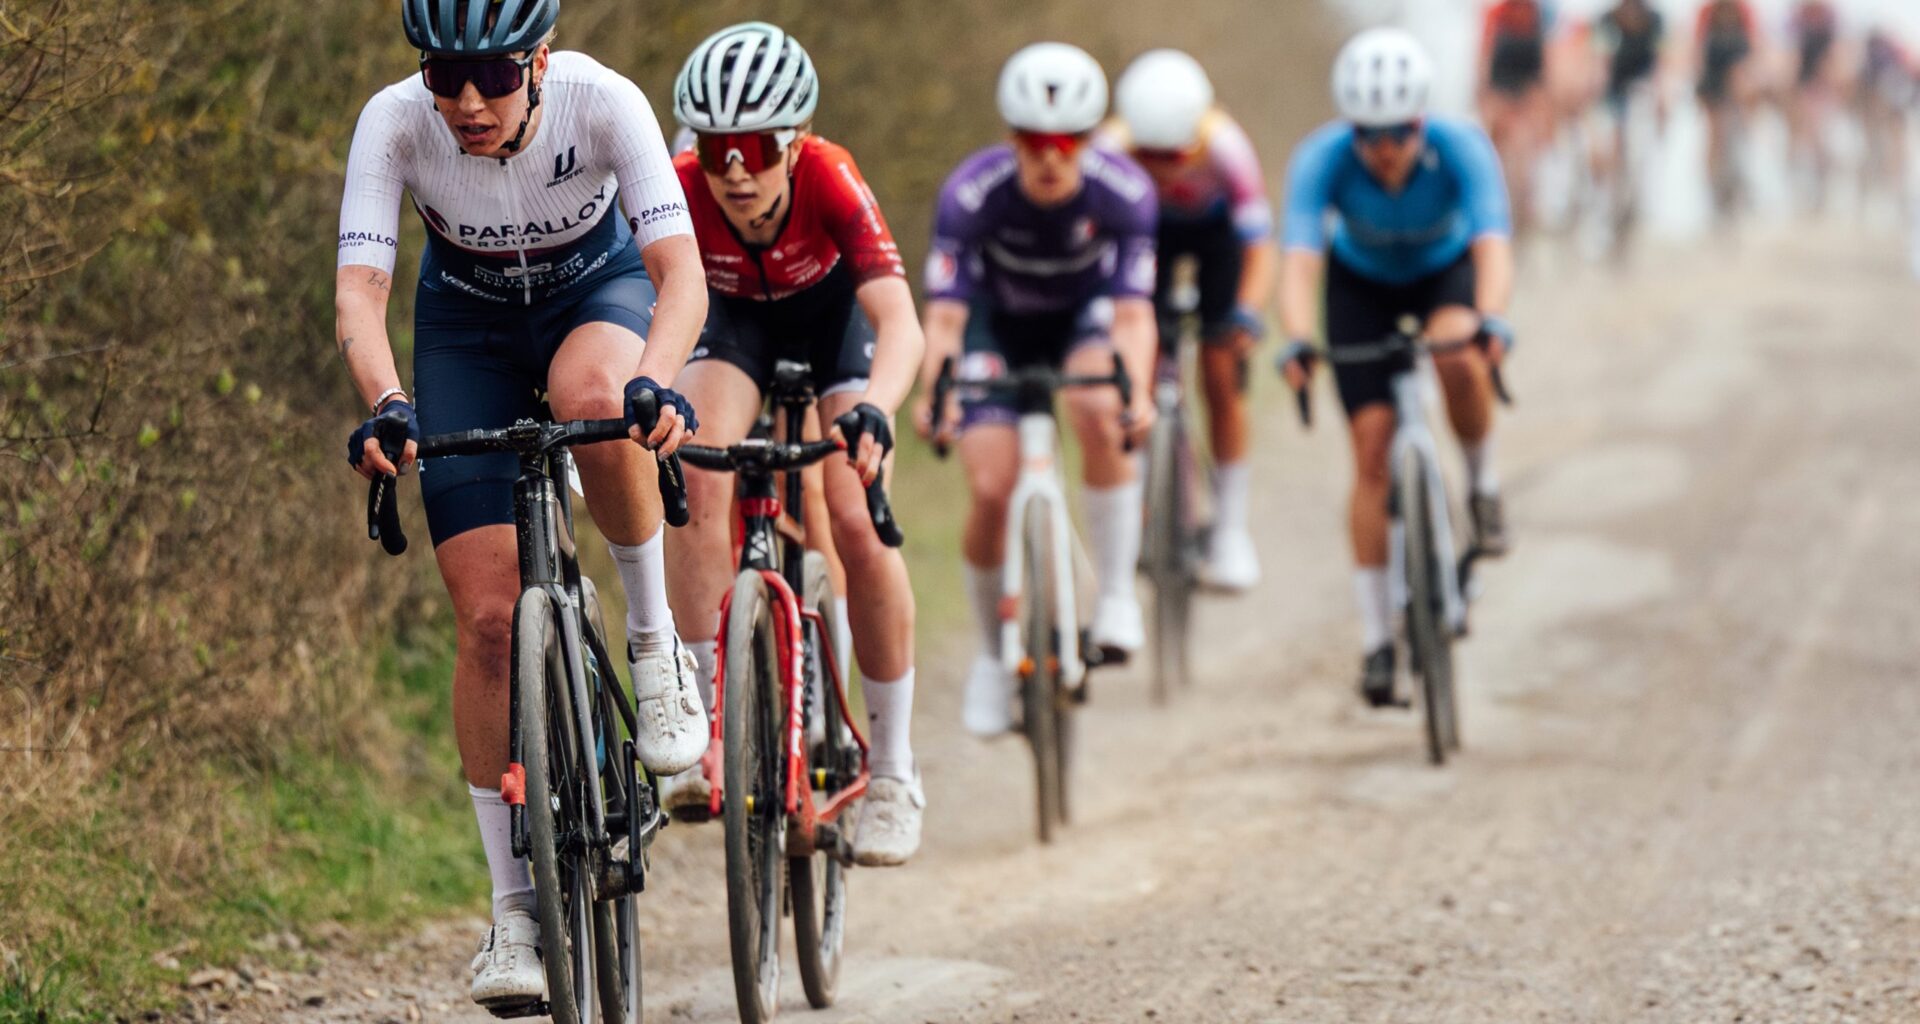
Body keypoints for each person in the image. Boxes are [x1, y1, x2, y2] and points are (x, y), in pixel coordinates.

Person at [335, 0, 709, 1007]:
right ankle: (511, 911)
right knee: (490, 619)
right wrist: (388, 404)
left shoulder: (604, 100)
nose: (465, 102)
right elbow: (361, 292)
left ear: (539, 63)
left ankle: (655, 643)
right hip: (465, 327)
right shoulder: (395, 121)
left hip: (596, 297)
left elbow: (680, 272)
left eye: (493, 77)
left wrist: (660, 378)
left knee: (599, 401)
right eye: (443, 76)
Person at [658, 22, 925, 865]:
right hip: (735, 329)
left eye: (758, 147)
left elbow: (900, 322)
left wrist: (877, 409)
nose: (736, 170)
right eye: (716, 148)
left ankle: (893, 774)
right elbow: (645, 305)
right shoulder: (677, 187)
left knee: (853, 516)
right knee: (696, 474)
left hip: (832, 326)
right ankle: (707, 731)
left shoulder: (833, 177)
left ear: (796, 140)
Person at [913, 42, 1159, 737]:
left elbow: (1136, 316)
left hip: (1081, 319)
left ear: (1087, 140)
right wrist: (937, 393)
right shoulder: (971, 194)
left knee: (1099, 405)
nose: (1051, 157)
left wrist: (1137, 390)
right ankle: (993, 657)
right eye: (1034, 141)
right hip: (998, 327)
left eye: (1067, 142)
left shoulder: (1127, 190)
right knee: (990, 486)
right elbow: (947, 318)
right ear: (1011, 138)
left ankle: (1115, 597)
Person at [1277, 28, 1516, 706]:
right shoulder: (1321, 158)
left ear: (1421, 123)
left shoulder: (1463, 146)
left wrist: (1492, 318)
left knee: (1458, 358)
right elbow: (1299, 261)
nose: (1385, 151)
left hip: (1443, 274)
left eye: (1400, 135)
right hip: (1360, 287)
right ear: (1351, 130)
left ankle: (1482, 485)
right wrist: (1296, 337)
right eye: (1369, 136)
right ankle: (1378, 640)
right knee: (1370, 453)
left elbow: (1493, 244)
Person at [1107, 49, 1276, 591]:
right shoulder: (1109, 150)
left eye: (1177, 154)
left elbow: (1259, 247)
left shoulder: (1228, 147)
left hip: (1215, 238)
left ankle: (1230, 529)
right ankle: (1139, 511)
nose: (1164, 169)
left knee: (1221, 372)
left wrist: (1245, 312)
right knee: (1135, 364)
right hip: (1145, 235)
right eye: (1149, 155)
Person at [1478, 0, 1555, 236]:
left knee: (1525, 164)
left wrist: (1543, 114)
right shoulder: (1496, 13)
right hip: (1500, 91)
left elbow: (1543, 68)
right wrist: (1486, 99)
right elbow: (1484, 58)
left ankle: (1525, 213)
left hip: (1526, 94)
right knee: (1492, 154)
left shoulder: (1539, 14)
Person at [1694, 0, 1759, 220]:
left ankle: (1739, 184)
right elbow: (1698, 54)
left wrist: (1746, 86)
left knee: (1741, 132)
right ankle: (1712, 190)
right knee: (1714, 137)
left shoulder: (1745, 11)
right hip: (1712, 82)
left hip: (1738, 81)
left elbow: (1753, 53)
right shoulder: (1706, 13)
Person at [1785, 0, 1841, 211]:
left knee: (1817, 135)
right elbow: (1790, 55)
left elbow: (1835, 55)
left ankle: (1819, 191)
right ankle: (1797, 190)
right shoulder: (1797, 17)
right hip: (1802, 82)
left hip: (1821, 83)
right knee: (1800, 136)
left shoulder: (1828, 16)